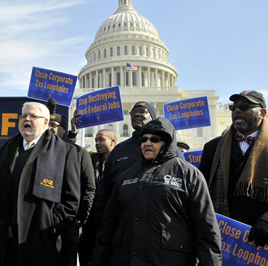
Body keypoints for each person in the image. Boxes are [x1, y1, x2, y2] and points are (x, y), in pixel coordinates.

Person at [91, 117, 222, 266]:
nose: (147, 143)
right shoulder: (126, 176)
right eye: (144, 139)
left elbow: (206, 229)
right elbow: (108, 225)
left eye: (154, 139)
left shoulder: (189, 174)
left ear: (167, 142)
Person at [0, 102, 80, 266]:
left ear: (46, 123)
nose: (27, 119)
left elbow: (71, 201)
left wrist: (50, 225)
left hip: (37, 240)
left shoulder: (66, 152)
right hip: (3, 239)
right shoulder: (8, 148)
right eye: (24, 116)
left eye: (33, 116)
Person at [199, 90, 268, 246]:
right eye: (233, 108)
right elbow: (200, 193)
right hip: (222, 240)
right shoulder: (213, 148)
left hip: (265, 243)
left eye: (244, 107)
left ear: (262, 112)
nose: (237, 111)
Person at [94, 101, 184, 221]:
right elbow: (105, 193)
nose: (136, 114)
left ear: (152, 117)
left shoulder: (171, 150)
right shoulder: (119, 150)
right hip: (123, 222)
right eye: (133, 112)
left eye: (142, 111)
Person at [46, 100, 95, 266]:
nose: (50, 128)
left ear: (62, 130)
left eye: (54, 124)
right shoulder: (38, 154)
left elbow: (89, 188)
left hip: (69, 224)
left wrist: (80, 218)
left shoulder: (78, 152)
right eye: (47, 124)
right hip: (43, 222)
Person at [79, 129, 116, 266]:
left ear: (113, 142)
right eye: (96, 140)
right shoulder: (90, 159)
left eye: (101, 139)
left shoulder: (120, 162)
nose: (97, 143)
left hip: (110, 219)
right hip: (91, 219)